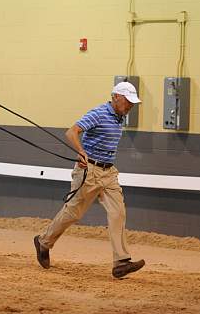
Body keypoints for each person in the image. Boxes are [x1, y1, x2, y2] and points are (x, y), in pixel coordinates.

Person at [33, 82, 146, 279]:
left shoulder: (120, 117)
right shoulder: (99, 113)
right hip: (89, 171)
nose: (130, 106)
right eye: (128, 102)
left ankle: (121, 261)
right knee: (73, 213)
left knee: (118, 212)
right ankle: (43, 241)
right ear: (116, 97)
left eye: (132, 103)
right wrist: (81, 152)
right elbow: (72, 131)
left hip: (109, 172)